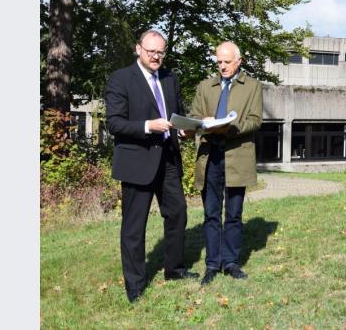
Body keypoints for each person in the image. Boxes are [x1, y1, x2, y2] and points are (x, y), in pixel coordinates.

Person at [104, 30, 198, 303]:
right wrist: (148, 126)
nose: (156, 56)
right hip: (137, 161)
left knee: (178, 213)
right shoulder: (121, 79)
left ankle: (174, 269)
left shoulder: (170, 78)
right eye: (151, 51)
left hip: (168, 158)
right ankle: (135, 285)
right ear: (138, 49)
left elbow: (175, 116)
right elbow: (115, 124)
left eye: (160, 52)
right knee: (134, 227)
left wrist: (185, 130)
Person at [188, 41, 263, 286]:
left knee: (233, 213)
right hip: (210, 156)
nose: (222, 66)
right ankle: (212, 263)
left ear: (238, 61)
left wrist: (233, 127)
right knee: (211, 213)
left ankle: (230, 262)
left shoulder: (253, 87)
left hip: (237, 156)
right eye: (219, 62)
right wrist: (203, 121)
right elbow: (195, 116)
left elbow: (255, 121)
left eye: (227, 62)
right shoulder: (205, 86)